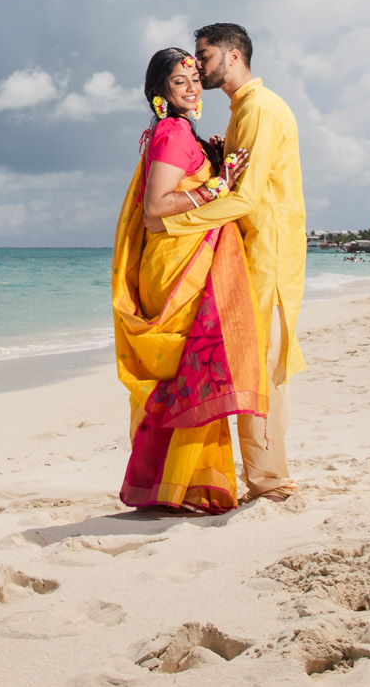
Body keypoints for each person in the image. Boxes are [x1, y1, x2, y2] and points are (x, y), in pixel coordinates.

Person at [112, 47, 266, 512]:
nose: (193, 87)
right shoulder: (173, 132)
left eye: (196, 78)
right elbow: (158, 208)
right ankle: (177, 484)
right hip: (178, 266)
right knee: (191, 372)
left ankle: (174, 484)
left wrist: (211, 160)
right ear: (160, 91)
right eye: (181, 82)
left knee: (189, 374)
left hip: (178, 257)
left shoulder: (178, 133)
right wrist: (218, 186)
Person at [160, 22, 306, 503]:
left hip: (269, 254)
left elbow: (243, 199)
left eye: (203, 56)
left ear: (233, 54)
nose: (198, 67)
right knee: (253, 368)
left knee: (259, 371)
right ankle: (267, 479)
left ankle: (271, 483)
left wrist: (172, 224)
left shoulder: (260, 109)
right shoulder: (243, 110)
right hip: (253, 253)